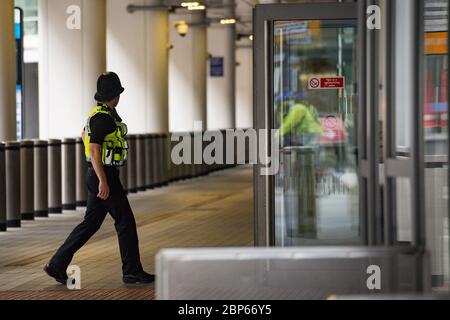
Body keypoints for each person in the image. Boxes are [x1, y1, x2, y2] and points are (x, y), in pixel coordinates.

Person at [44, 72, 154, 285]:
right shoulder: (103, 118)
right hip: (104, 175)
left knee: (90, 224)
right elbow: (94, 149)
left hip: (98, 175)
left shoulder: (98, 114)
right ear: (115, 95)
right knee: (125, 221)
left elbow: (84, 136)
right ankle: (131, 271)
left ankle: (57, 264)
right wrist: (103, 180)